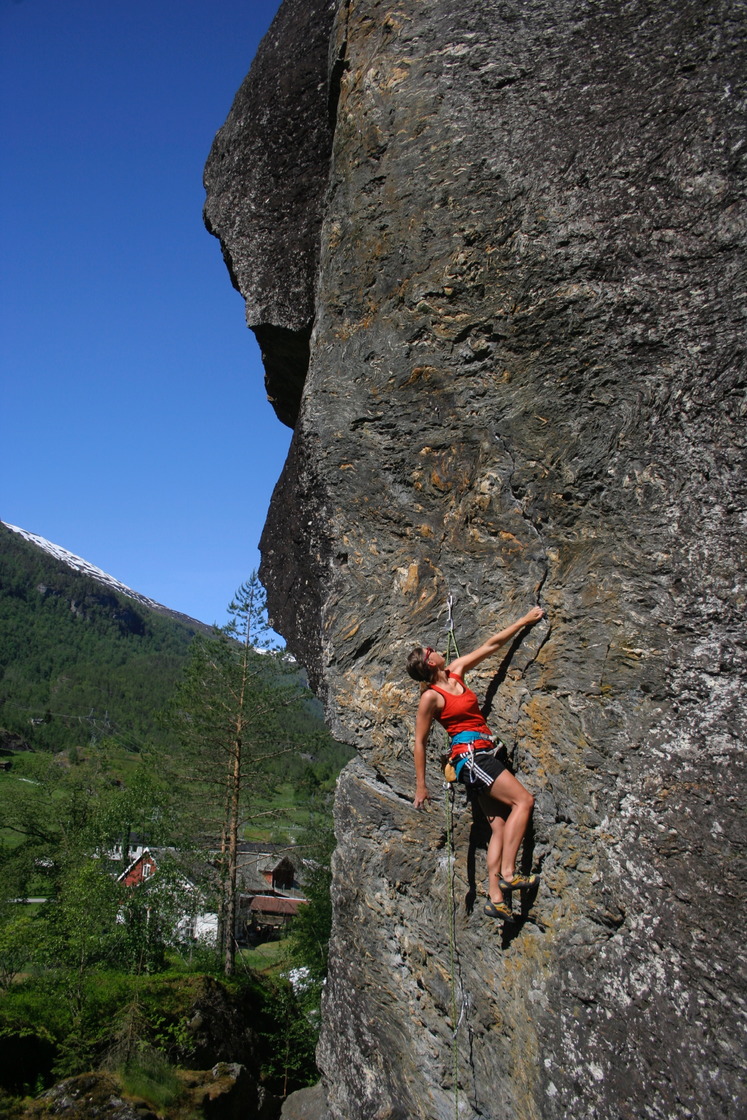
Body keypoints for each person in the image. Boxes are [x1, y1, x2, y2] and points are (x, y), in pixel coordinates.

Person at [407, 606, 545, 922]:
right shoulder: (431, 697)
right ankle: (508, 874)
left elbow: (491, 646)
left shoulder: (456, 671)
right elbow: (419, 742)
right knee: (524, 801)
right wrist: (421, 786)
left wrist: (523, 621)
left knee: (499, 825)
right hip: (472, 758)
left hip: (482, 755)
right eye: (432, 650)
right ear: (430, 662)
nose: (438, 650)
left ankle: (496, 898)